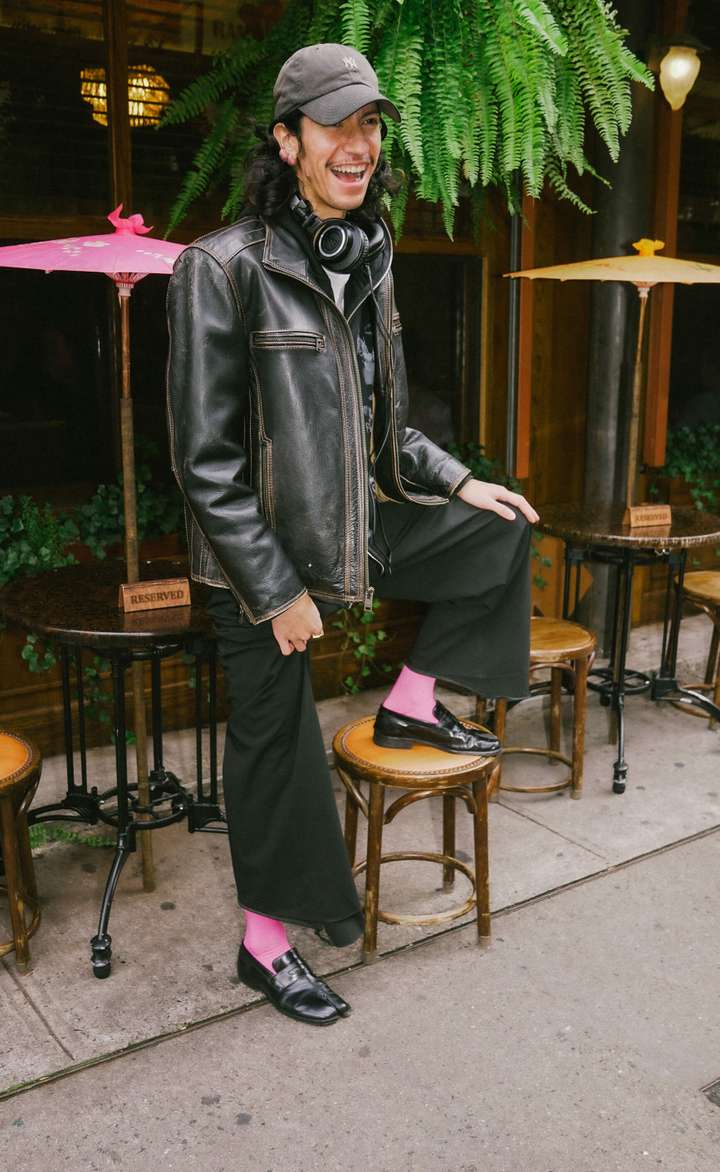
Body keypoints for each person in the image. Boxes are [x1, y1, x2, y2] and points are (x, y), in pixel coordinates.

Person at [166, 43, 538, 1028]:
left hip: (356, 529)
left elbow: (383, 427)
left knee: (500, 534)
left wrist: (460, 480)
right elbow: (204, 459)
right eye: (335, 124)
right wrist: (274, 585)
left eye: (370, 123)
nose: (357, 144)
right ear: (288, 141)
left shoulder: (367, 259)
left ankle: (413, 701)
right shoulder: (220, 267)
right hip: (263, 560)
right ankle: (264, 940)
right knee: (275, 744)